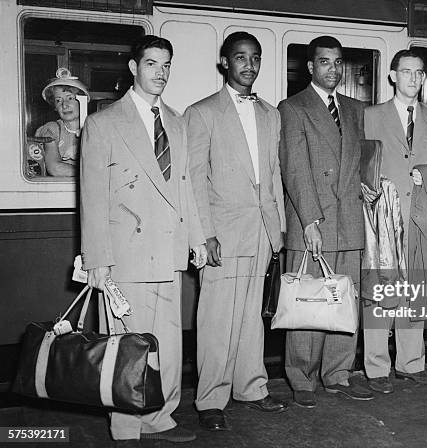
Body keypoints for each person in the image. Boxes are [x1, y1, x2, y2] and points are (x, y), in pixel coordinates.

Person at [80, 35, 206, 444]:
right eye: (152, 64)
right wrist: (97, 258)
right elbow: (92, 196)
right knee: (126, 346)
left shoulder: (178, 121)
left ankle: (160, 416)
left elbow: (186, 185)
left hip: (168, 251)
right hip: (124, 256)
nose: (161, 73)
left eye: (166, 65)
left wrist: (198, 239)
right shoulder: (102, 123)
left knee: (167, 344)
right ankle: (127, 425)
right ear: (134, 68)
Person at [184, 31, 288, 431]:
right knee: (215, 319)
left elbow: (274, 174)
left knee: (251, 317)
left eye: (255, 58)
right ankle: (211, 398)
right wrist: (204, 234)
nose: (249, 65)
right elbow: (194, 179)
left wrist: (277, 228)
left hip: (261, 231)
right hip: (222, 233)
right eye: (240, 57)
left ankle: (252, 387)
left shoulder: (269, 113)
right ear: (225, 63)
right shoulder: (203, 112)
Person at [278, 35, 373, 408]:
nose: (332, 69)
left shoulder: (354, 108)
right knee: (308, 303)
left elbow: (358, 160)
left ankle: (338, 373)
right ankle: (302, 378)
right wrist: (309, 221)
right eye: (324, 62)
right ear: (310, 67)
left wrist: (366, 186)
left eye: (337, 63)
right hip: (312, 223)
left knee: (343, 302)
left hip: (349, 220)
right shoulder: (293, 107)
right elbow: (295, 169)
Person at [362, 50, 427, 394]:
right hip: (383, 216)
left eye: (419, 73)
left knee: (413, 290)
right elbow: (362, 160)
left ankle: (411, 364)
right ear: (392, 75)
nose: (413, 79)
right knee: (380, 290)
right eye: (406, 72)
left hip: (419, 218)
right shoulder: (371, 115)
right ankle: (375, 368)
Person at [36, 69, 89, 176]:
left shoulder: (95, 128)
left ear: (82, 100)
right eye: (58, 100)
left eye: (70, 98)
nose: (64, 105)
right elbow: (55, 168)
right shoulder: (52, 129)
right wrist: (90, 173)